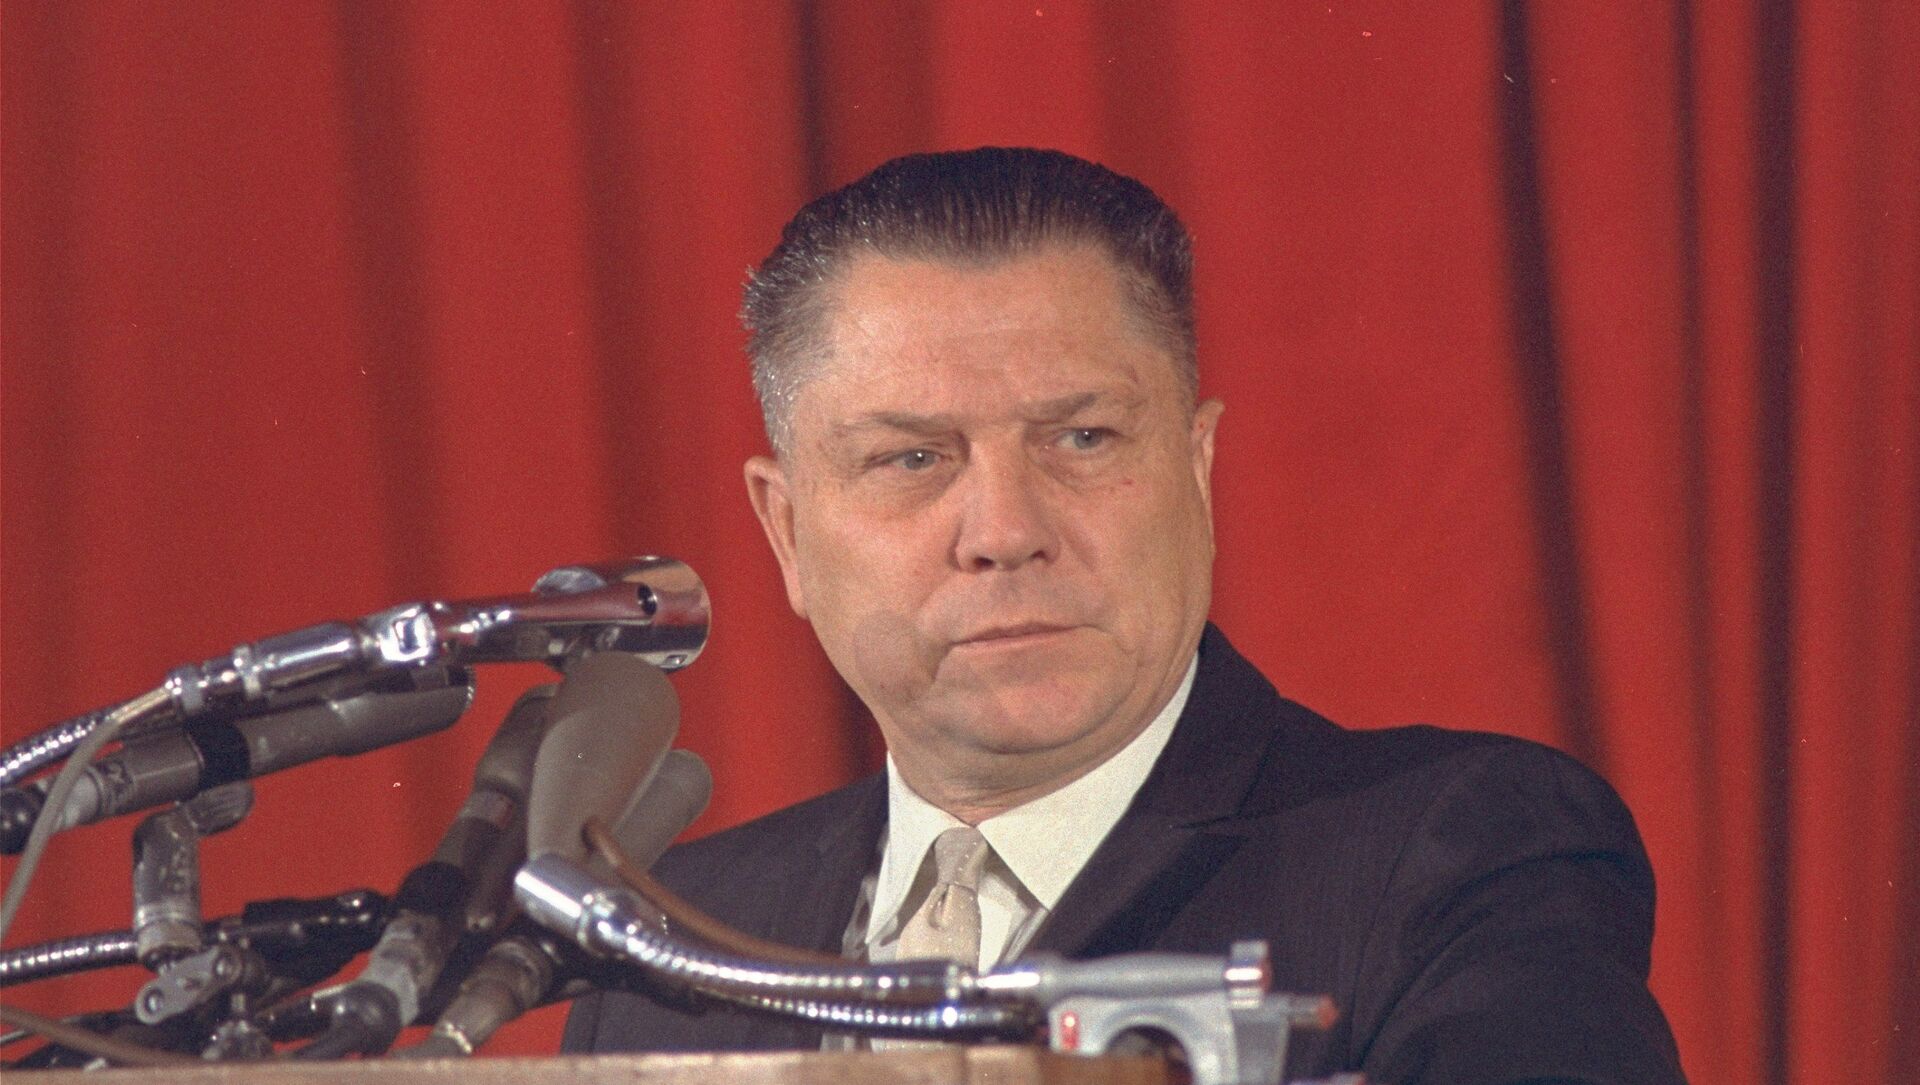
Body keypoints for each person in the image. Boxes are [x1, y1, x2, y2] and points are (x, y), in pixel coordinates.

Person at [562, 148, 1686, 1084]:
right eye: (912, 457)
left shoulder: (1465, 851)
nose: (1006, 529)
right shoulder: (669, 935)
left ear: (1197, 471)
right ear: (788, 532)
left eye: (1083, 438)